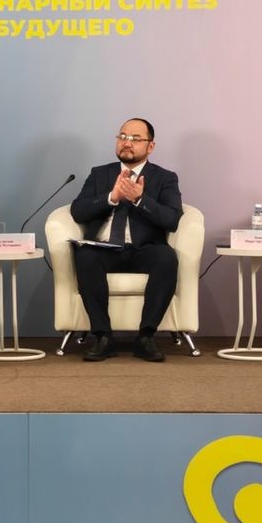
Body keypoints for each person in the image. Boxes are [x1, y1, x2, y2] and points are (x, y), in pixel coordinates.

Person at [70, 118, 183, 362]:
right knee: (85, 255)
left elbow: (172, 219)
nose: (127, 143)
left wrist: (140, 200)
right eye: (122, 137)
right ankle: (103, 337)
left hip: (144, 250)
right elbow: (78, 211)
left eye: (135, 139)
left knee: (166, 258)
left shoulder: (165, 178)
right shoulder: (100, 174)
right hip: (104, 249)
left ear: (151, 146)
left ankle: (146, 337)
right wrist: (112, 197)